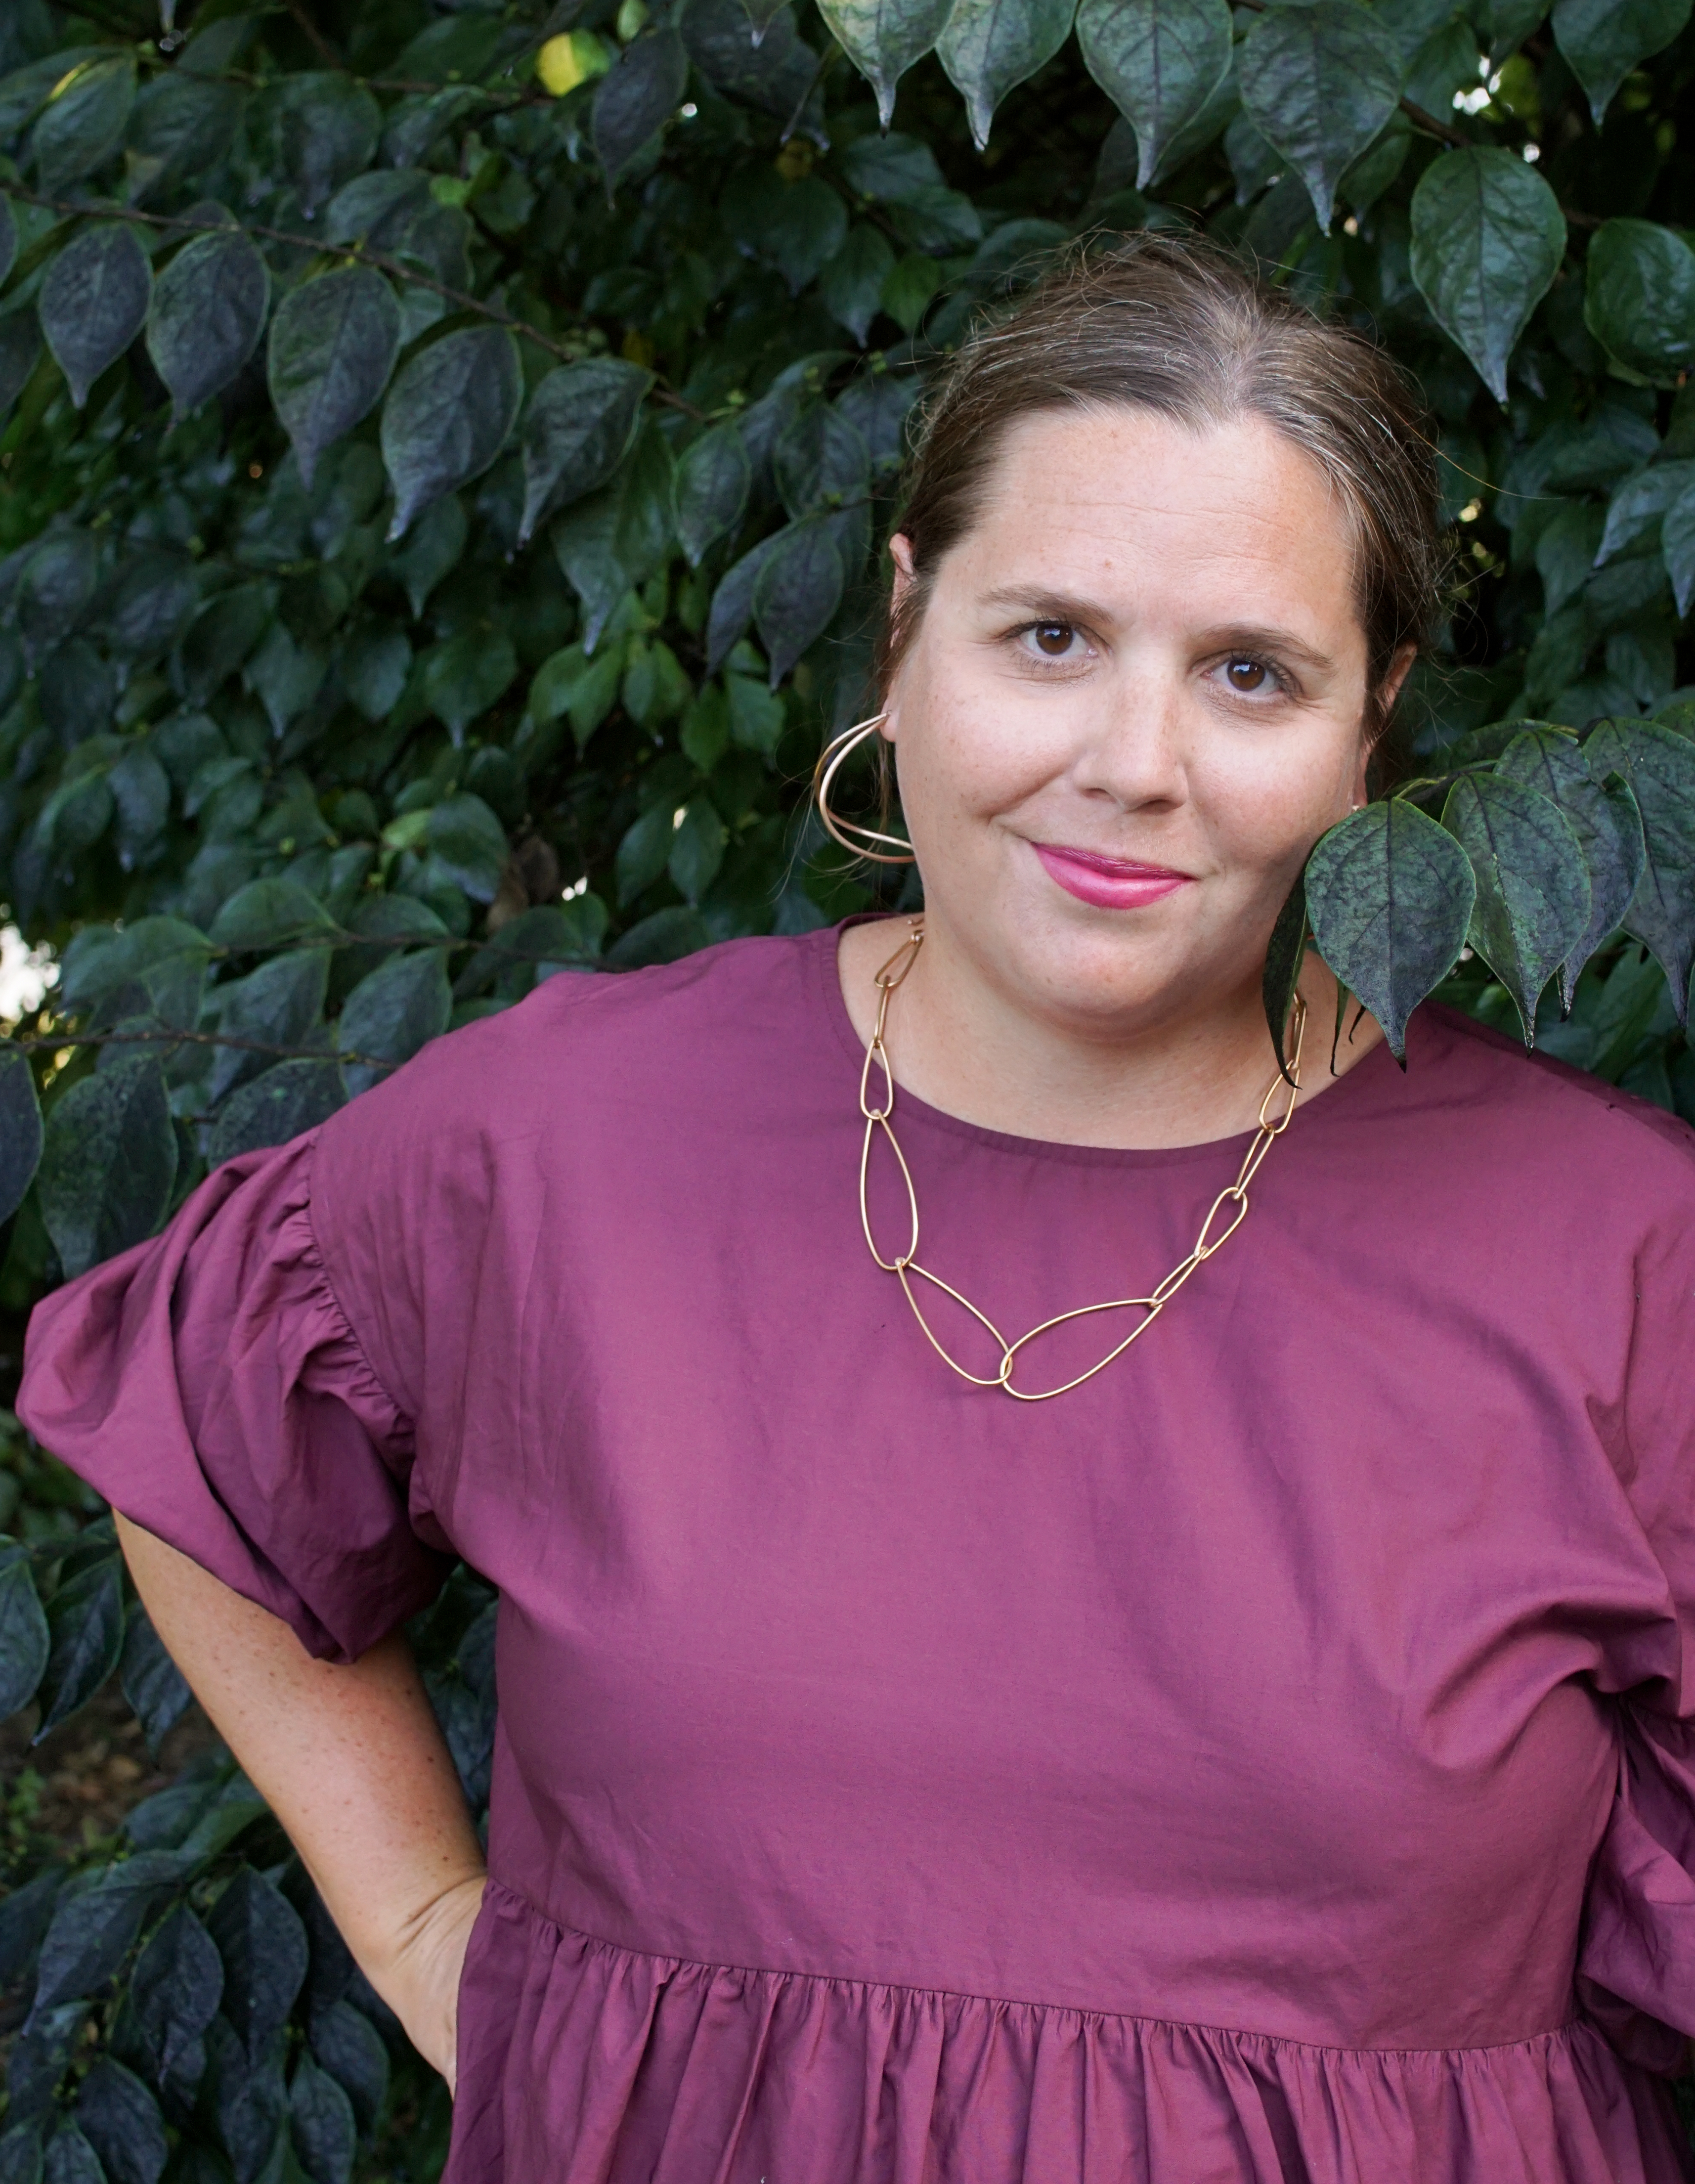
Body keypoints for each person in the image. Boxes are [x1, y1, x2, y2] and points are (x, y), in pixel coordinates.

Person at [20, 236, 1695, 2184]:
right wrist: (420, 1930)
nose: (1131, 765)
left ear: (1368, 722)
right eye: (1048, 637)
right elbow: (203, 1440)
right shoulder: (570, 1137)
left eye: (1251, 671)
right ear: (905, 630)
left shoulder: (1621, 1257)